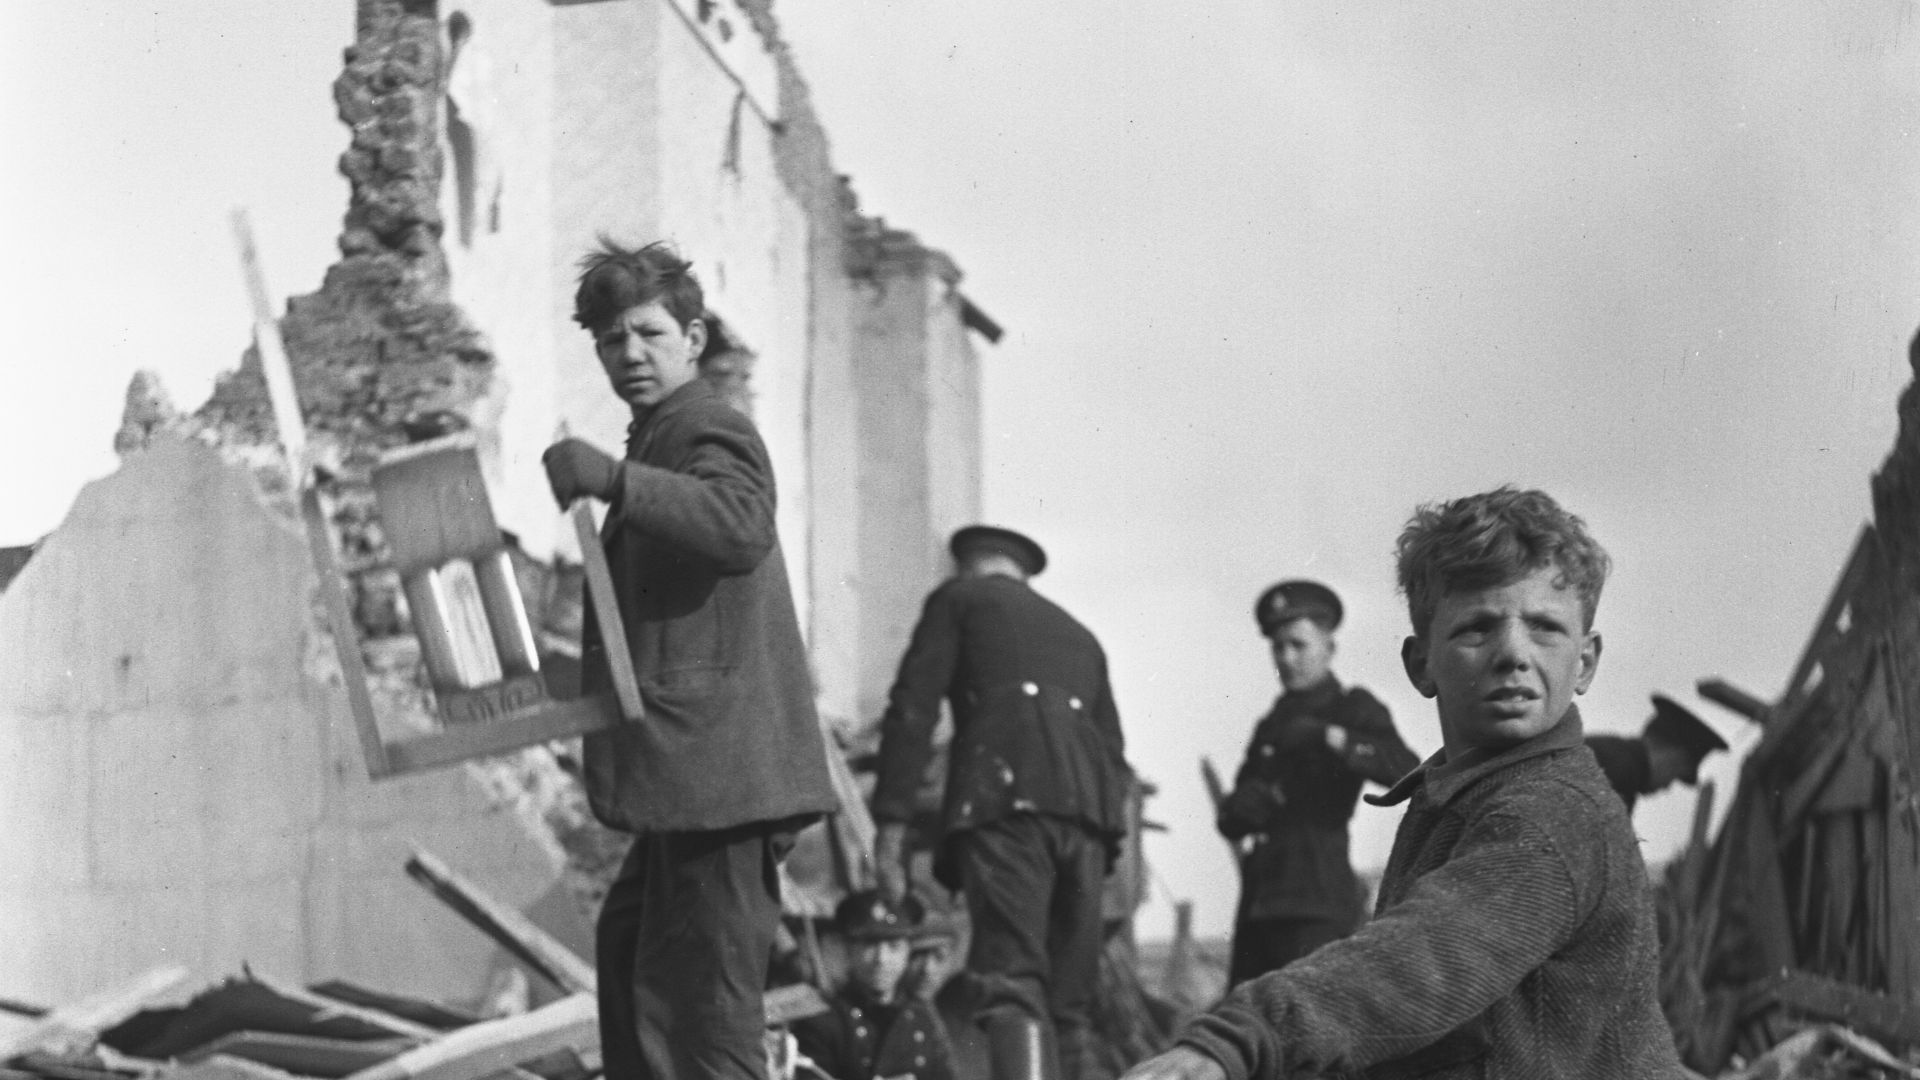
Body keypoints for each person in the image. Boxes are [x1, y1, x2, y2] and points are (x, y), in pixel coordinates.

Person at [1122, 486, 1683, 1080]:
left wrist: (1239, 1039)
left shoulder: (1550, 810)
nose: (1514, 654)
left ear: (1586, 662)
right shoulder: (1461, 792)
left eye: (1545, 627)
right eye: (1478, 628)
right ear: (1421, 665)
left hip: (1317, 904)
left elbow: (1428, 957)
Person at [542, 240, 839, 1080]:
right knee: (632, 953)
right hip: (694, 780)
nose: (630, 354)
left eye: (649, 333)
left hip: (722, 778)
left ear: (695, 338)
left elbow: (741, 523)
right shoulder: (658, 438)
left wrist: (614, 481)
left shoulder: (706, 424)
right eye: (612, 340)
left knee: (705, 1013)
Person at [869, 525, 1133, 1080]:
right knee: (1069, 1003)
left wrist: (890, 824)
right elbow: (1113, 754)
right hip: (1088, 824)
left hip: (1003, 804)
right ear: (1023, 575)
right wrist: (1105, 848)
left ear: (965, 567)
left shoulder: (958, 599)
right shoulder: (1081, 634)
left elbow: (913, 708)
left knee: (1010, 982)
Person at [1217, 580, 1419, 986]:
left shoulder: (1351, 707)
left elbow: (1406, 770)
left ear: (1329, 647)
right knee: (1246, 1015)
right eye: (1278, 648)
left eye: (1298, 645)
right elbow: (1229, 819)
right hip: (1259, 904)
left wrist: (1332, 737)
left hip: (1316, 900)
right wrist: (1246, 805)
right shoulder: (1271, 724)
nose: (1287, 658)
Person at [791, 890, 958, 1080]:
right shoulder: (823, 1022)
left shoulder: (923, 1019)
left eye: (894, 947)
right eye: (869, 946)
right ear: (850, 951)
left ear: (907, 954)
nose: (881, 959)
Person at [1588, 694, 1730, 814]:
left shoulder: (1614, 756)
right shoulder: (1621, 772)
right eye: (1675, 775)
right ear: (1673, 756)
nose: (1667, 787)